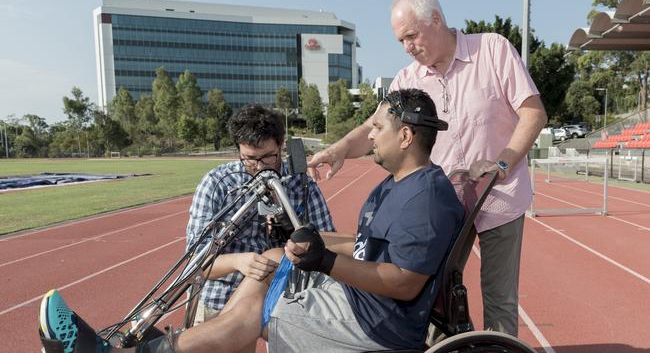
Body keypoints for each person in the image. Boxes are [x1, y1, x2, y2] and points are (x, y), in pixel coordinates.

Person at [39, 88, 465, 352]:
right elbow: (361, 245)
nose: (367, 136)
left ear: (405, 136)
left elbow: (403, 281)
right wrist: (303, 246)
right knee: (271, 266)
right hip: (223, 292)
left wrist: (321, 259)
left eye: (376, 128)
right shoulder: (396, 185)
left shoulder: (424, 197)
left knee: (252, 311)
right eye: (250, 160)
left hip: (375, 321)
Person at [307, 0, 548, 337]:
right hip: (444, 204)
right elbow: (372, 127)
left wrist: (503, 162)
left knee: (500, 300)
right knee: (435, 298)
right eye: (400, 40)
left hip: (500, 196)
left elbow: (533, 112)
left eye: (411, 35)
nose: (407, 47)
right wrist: (339, 149)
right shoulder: (408, 79)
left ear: (436, 20)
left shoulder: (492, 50)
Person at [185, 104, 335, 324]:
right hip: (221, 301)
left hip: (283, 298)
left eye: (267, 157)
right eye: (249, 159)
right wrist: (237, 262)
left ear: (281, 145)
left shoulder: (302, 186)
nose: (258, 167)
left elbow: (329, 242)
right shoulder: (218, 184)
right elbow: (195, 264)